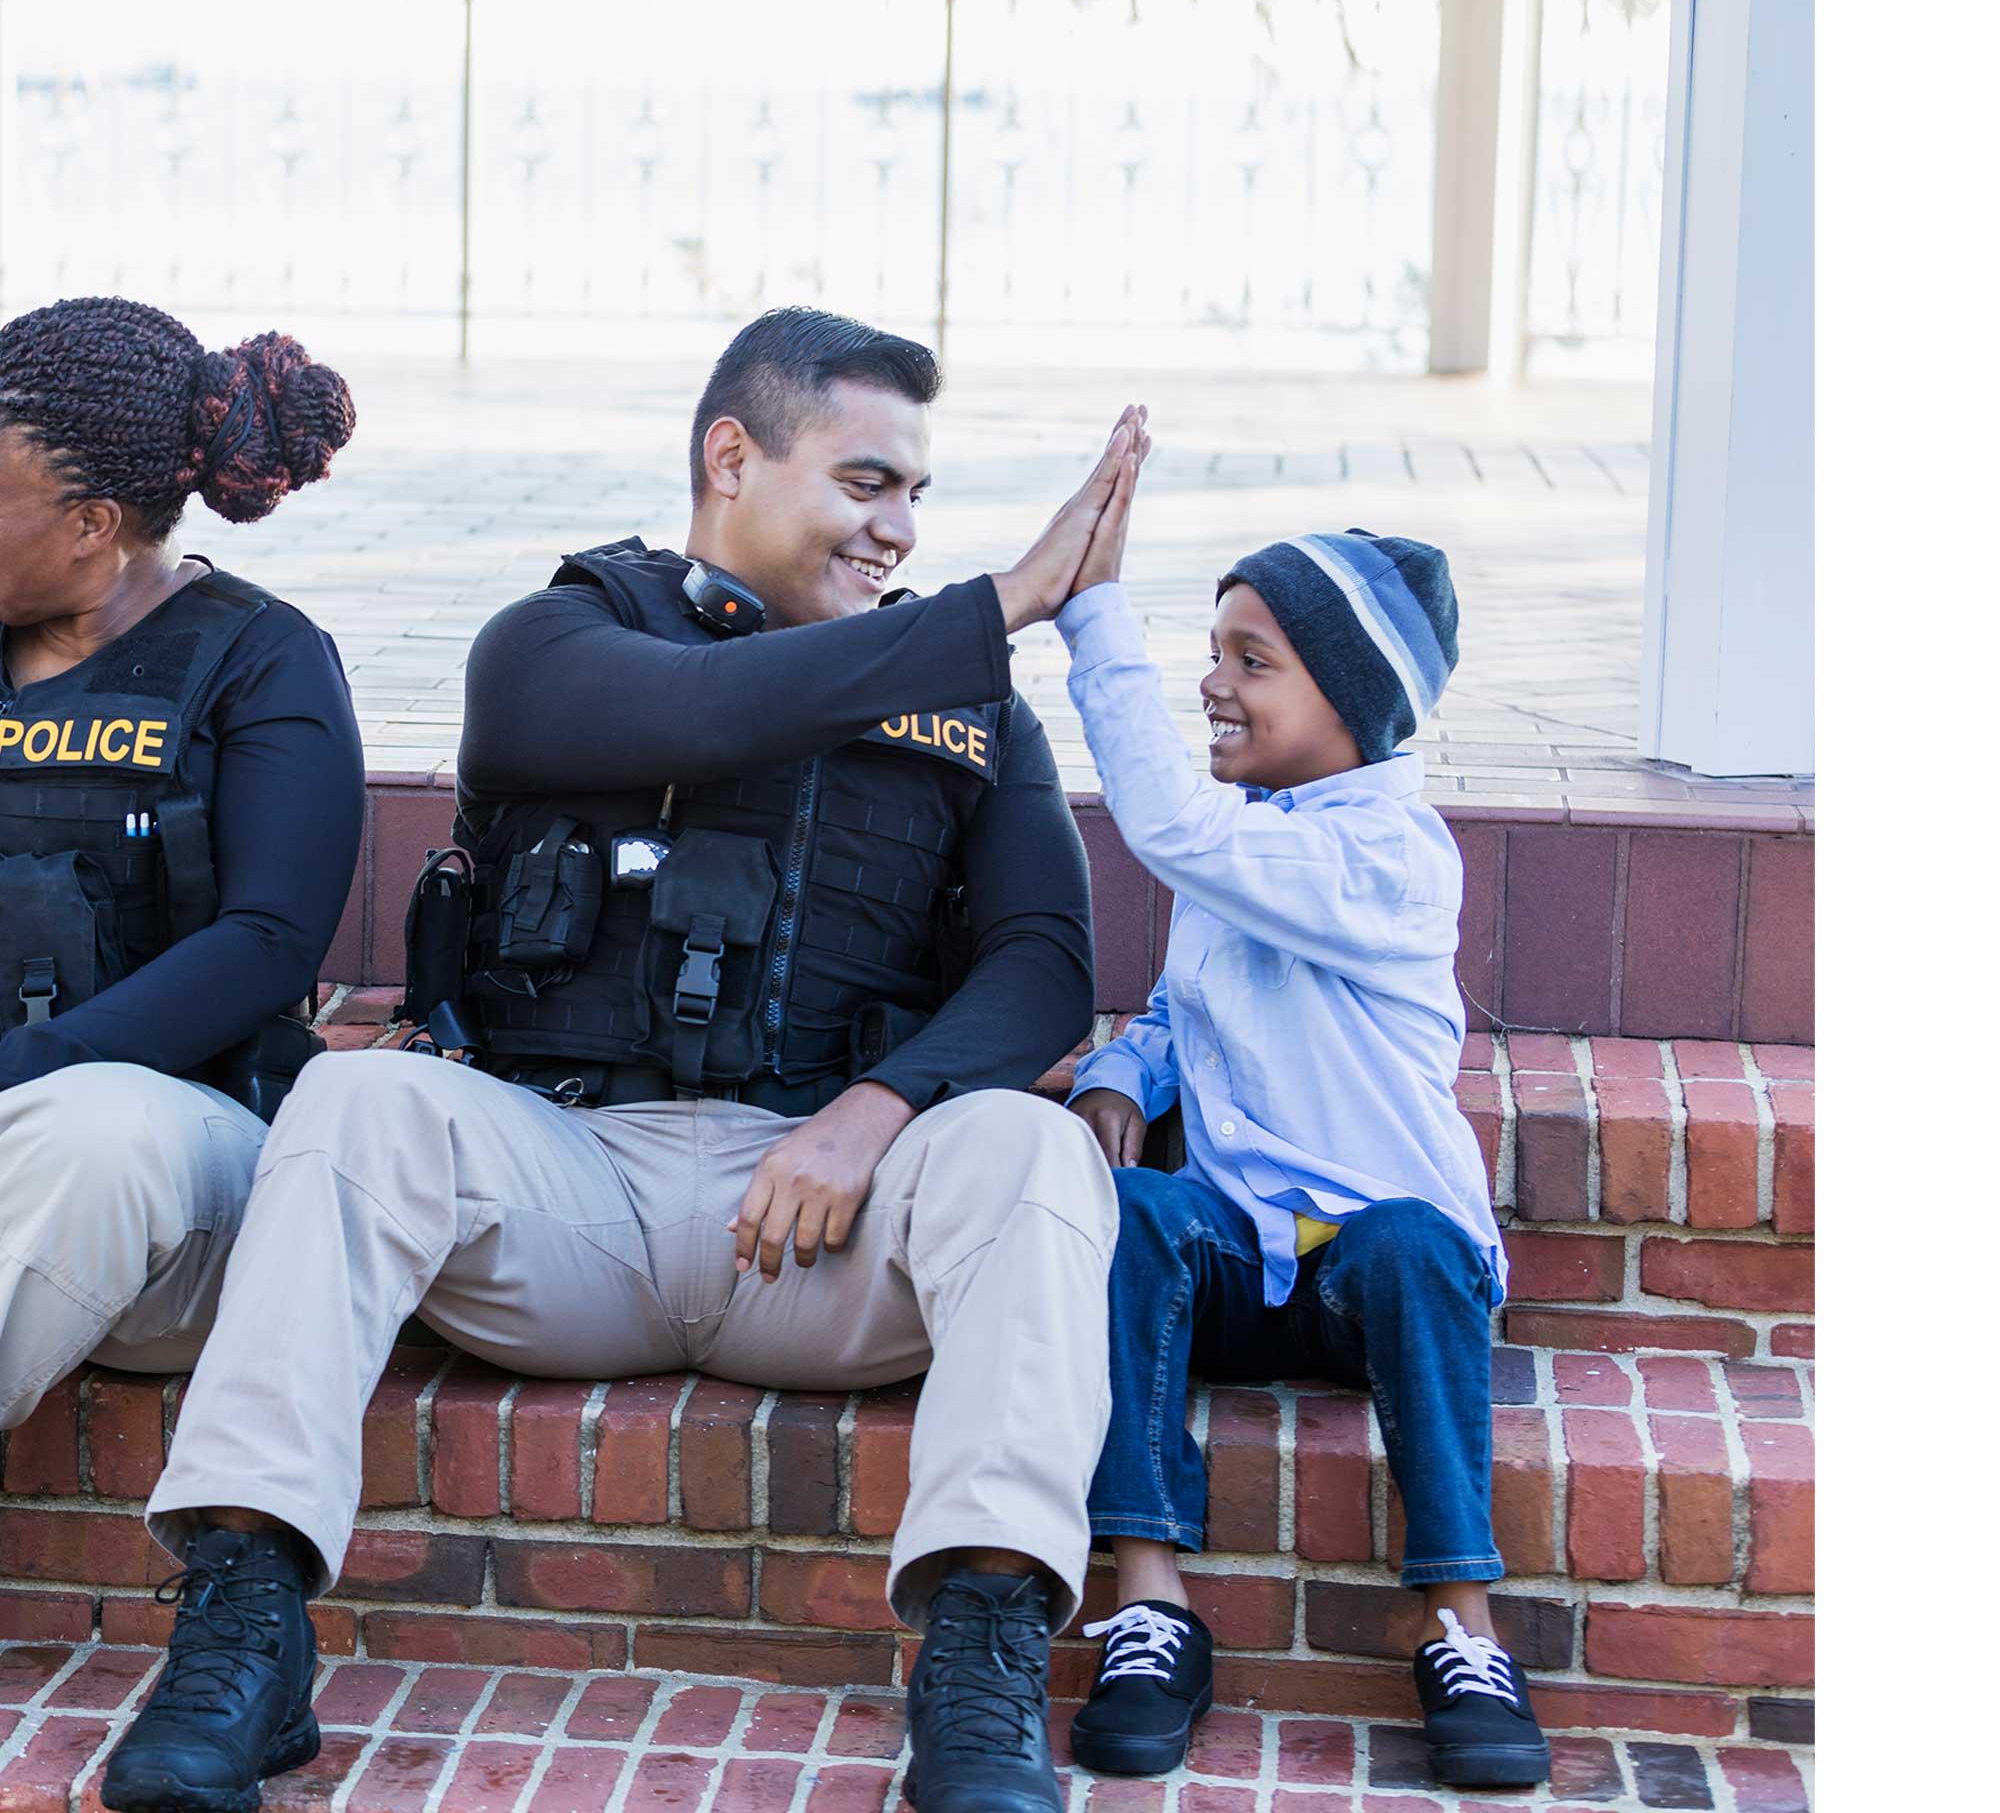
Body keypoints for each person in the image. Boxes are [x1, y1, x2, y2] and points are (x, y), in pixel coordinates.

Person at [106, 309, 1145, 1813]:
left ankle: (981, 1658)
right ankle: (240, 1630)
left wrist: (877, 1110)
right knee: (356, 1097)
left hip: (827, 1228)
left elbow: (1048, 963)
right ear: (733, 456)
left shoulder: (973, 706)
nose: (899, 528)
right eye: (867, 483)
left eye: (916, 496)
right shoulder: (561, 640)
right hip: (567, 1192)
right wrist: (1002, 601)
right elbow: (720, 709)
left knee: (1034, 1150)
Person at [1051, 459, 1551, 1789]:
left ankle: (1462, 1628)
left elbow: (1167, 827)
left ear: (1350, 700)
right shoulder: (1250, 839)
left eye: (1251, 659)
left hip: (1373, 1276)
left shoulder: (1387, 856)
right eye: (1211, 650)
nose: (1214, 682)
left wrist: (1090, 607)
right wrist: (1124, 1078)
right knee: (1131, 1210)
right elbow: (1181, 1008)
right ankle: (1152, 1609)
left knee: (1415, 1243)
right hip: (1243, 1255)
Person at [0, 295, 364, 1439]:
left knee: (90, 1132)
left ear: (93, 521)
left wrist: (28, 1065)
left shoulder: (261, 657)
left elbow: (269, 942)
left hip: (180, 1172)